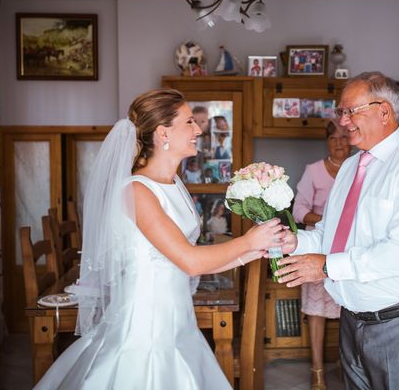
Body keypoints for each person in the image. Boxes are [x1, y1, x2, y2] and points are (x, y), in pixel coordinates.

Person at [35, 89, 284, 389]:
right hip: (147, 327)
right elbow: (191, 262)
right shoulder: (137, 191)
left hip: (178, 321)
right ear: (163, 132)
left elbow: (191, 256)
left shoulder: (176, 184)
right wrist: (248, 240)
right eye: (190, 122)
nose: (198, 129)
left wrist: (259, 248)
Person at [277, 72, 399, 390]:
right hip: (352, 319)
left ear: (384, 112)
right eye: (341, 112)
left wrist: (325, 266)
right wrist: (293, 241)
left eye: (351, 110)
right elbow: (330, 233)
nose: (343, 121)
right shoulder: (350, 168)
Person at [292, 121, 350, 390]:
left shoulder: (358, 169)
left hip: (350, 248)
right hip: (317, 246)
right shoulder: (313, 171)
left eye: (344, 138)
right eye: (333, 138)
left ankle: (352, 369)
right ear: (327, 141)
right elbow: (298, 211)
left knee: (351, 308)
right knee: (317, 311)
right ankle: (317, 372)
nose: (339, 143)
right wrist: (328, 219)